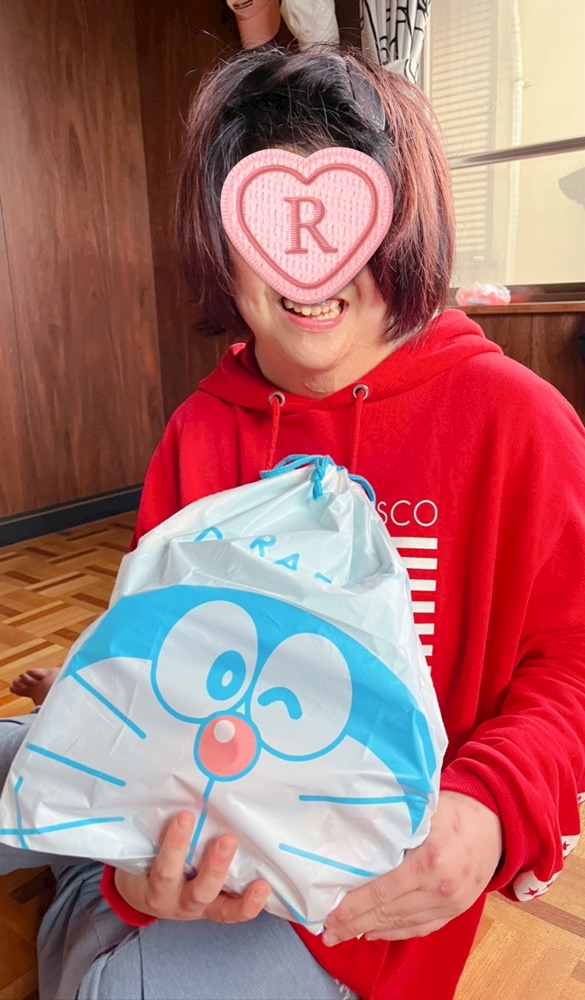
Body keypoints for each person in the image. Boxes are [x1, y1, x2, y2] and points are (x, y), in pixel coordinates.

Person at [2, 45, 585, 1000]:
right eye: (268, 221)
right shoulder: (199, 429)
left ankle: (67, 875)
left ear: (405, 226)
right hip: (184, 808)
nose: (310, 261)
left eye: (347, 220)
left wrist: (491, 805)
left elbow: (570, 660)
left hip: (349, 906)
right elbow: (161, 661)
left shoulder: (516, 423)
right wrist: (110, 757)